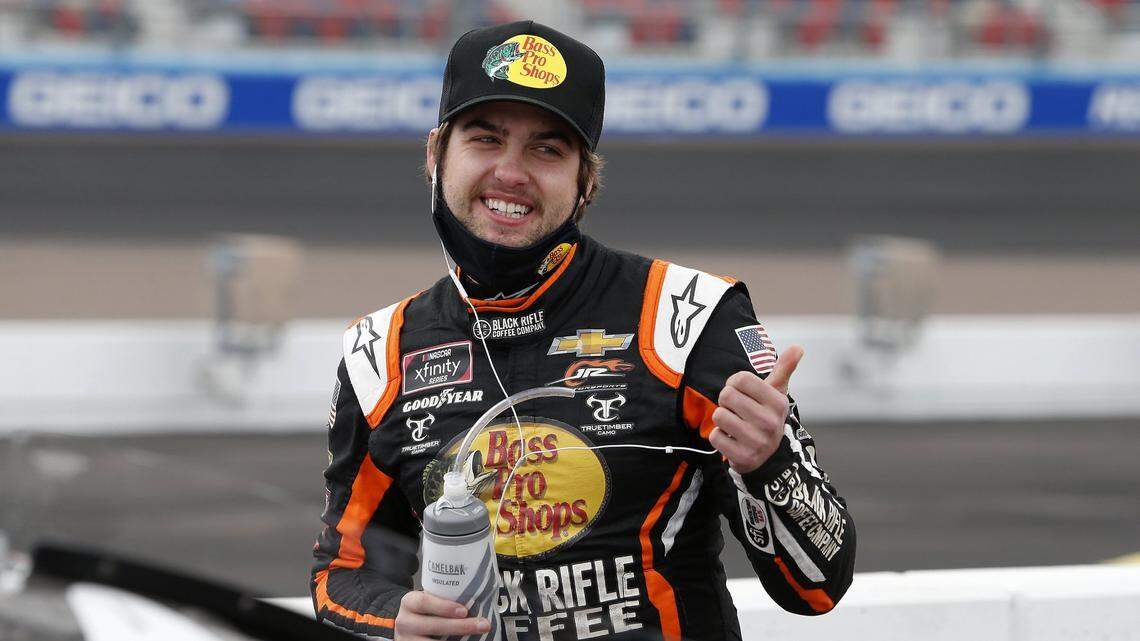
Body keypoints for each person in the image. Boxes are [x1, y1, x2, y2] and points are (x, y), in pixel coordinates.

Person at [311, 20, 855, 641]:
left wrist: (770, 463)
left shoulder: (689, 314)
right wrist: (391, 617)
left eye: (546, 149)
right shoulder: (377, 350)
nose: (510, 173)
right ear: (436, 154)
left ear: (585, 181)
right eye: (485, 139)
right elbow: (345, 570)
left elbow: (818, 586)